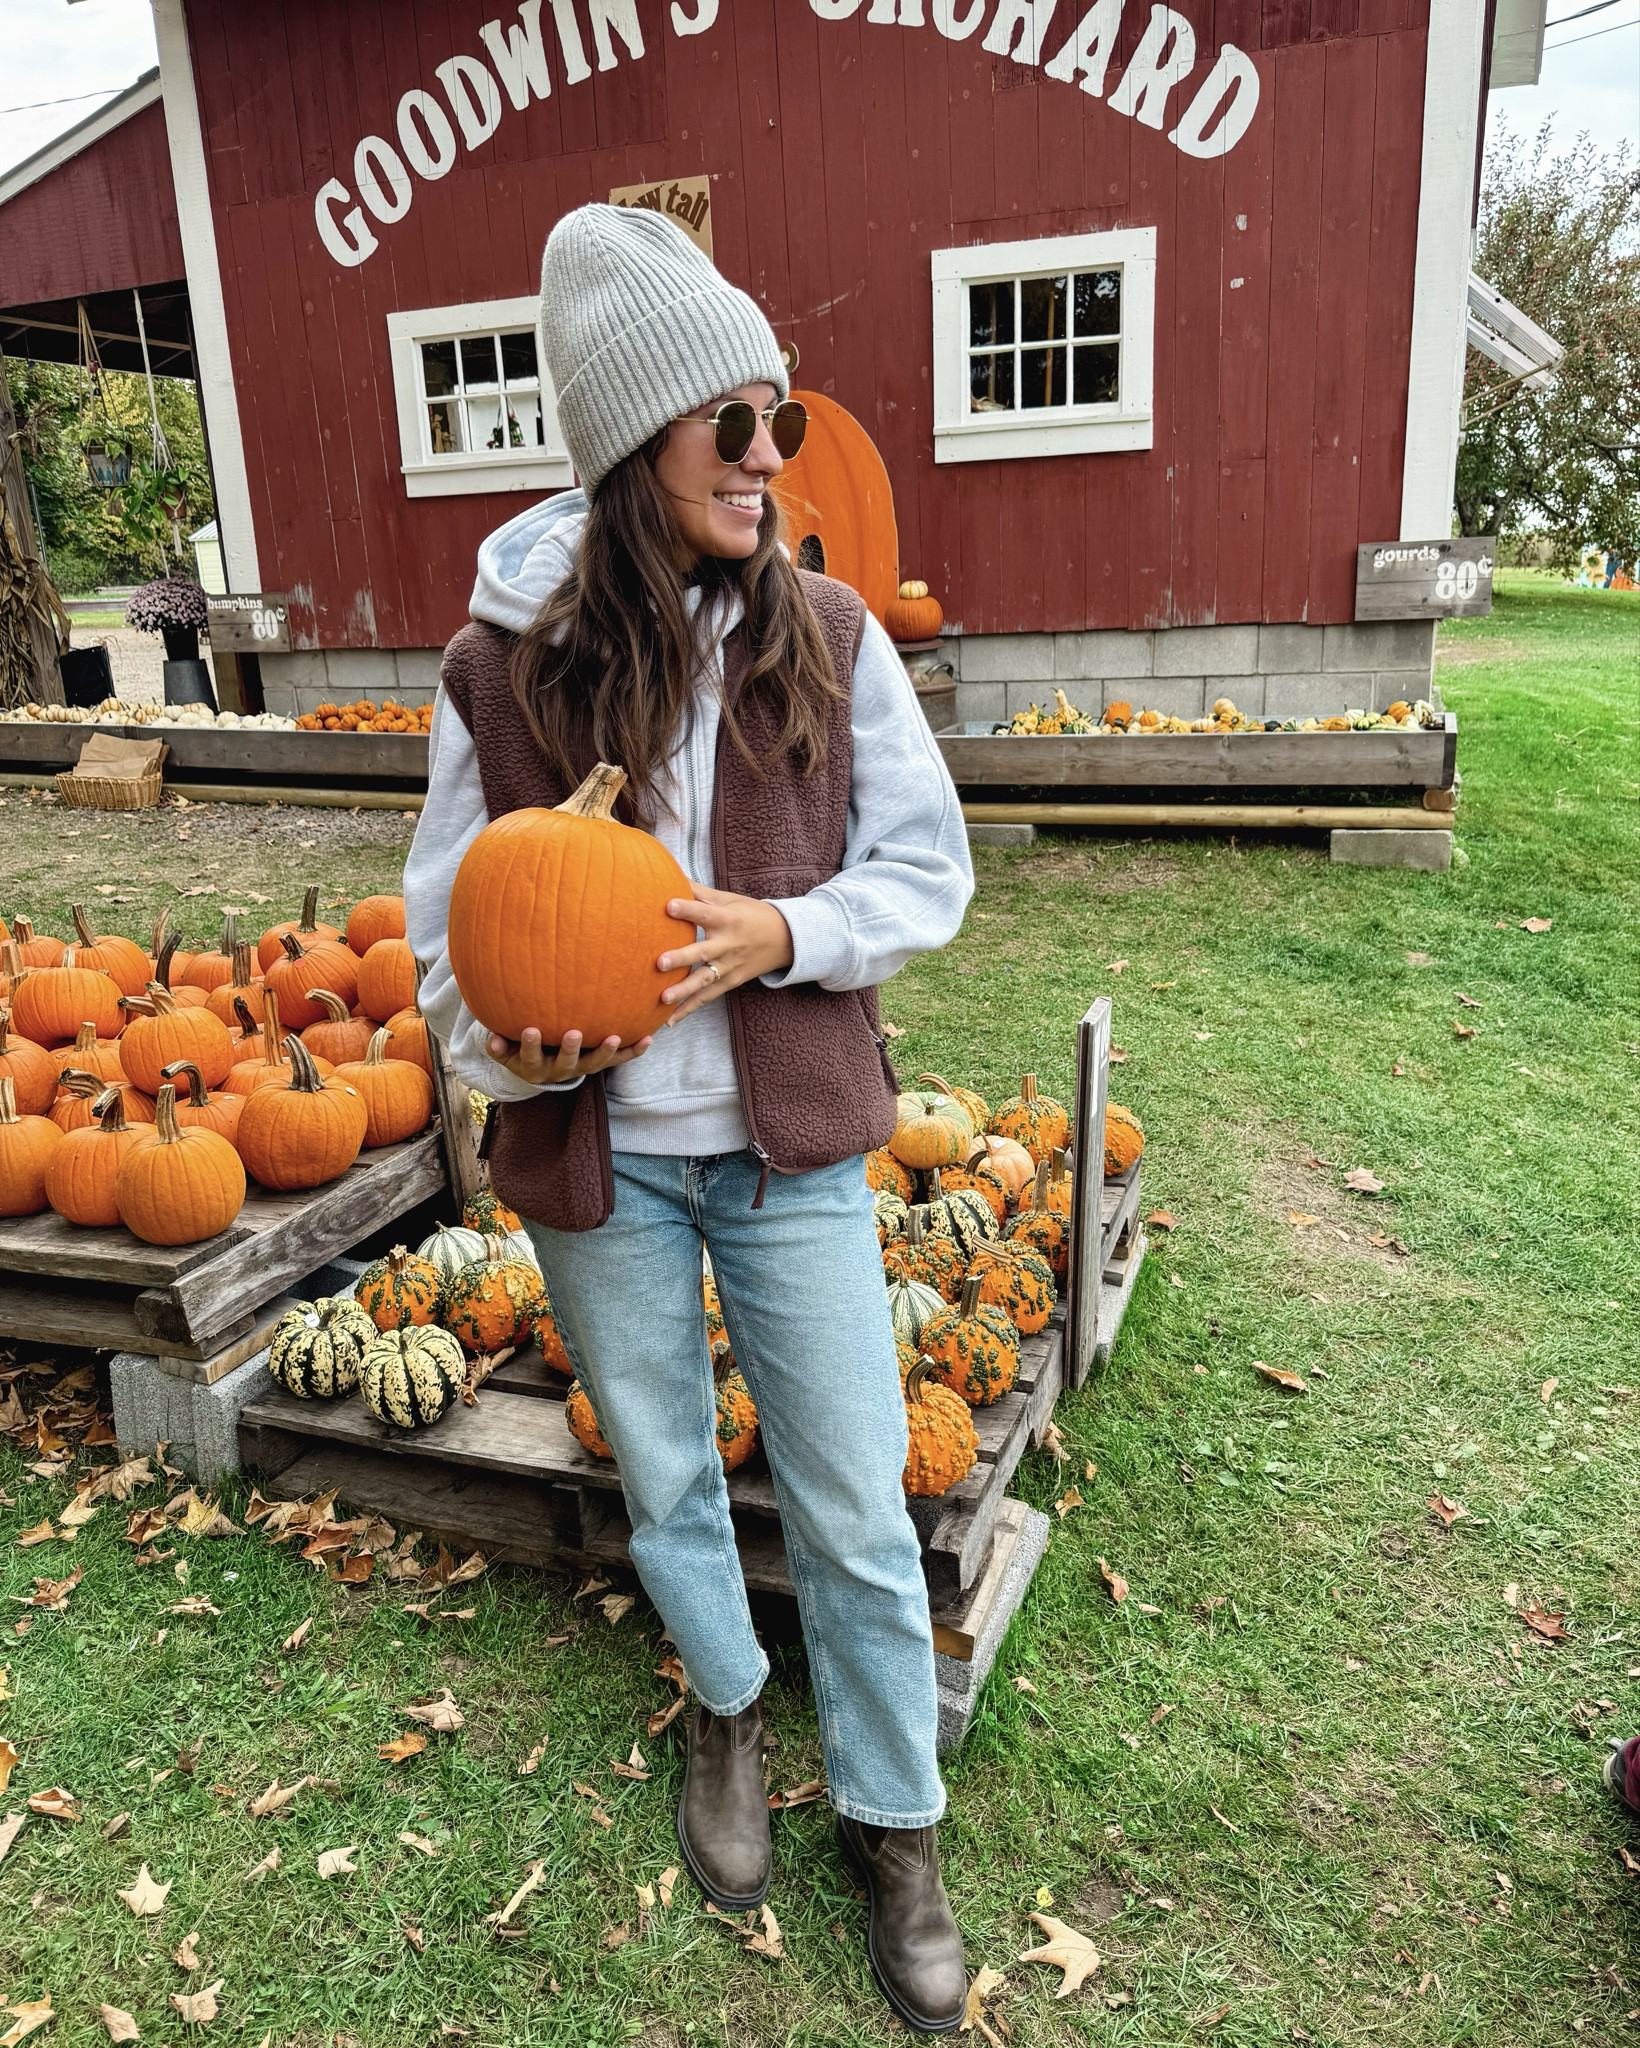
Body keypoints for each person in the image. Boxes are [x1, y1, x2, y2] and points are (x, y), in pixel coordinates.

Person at [405, 203, 975, 2034]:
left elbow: (930, 869)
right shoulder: (500, 670)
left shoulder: (821, 631)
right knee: (662, 1476)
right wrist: (518, 1057)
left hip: (787, 1151)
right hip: (602, 1173)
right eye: (728, 421)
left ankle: (894, 1819)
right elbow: (442, 938)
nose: (765, 455)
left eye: (778, 417)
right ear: (631, 444)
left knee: (854, 1504)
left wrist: (783, 933)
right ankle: (726, 1699)